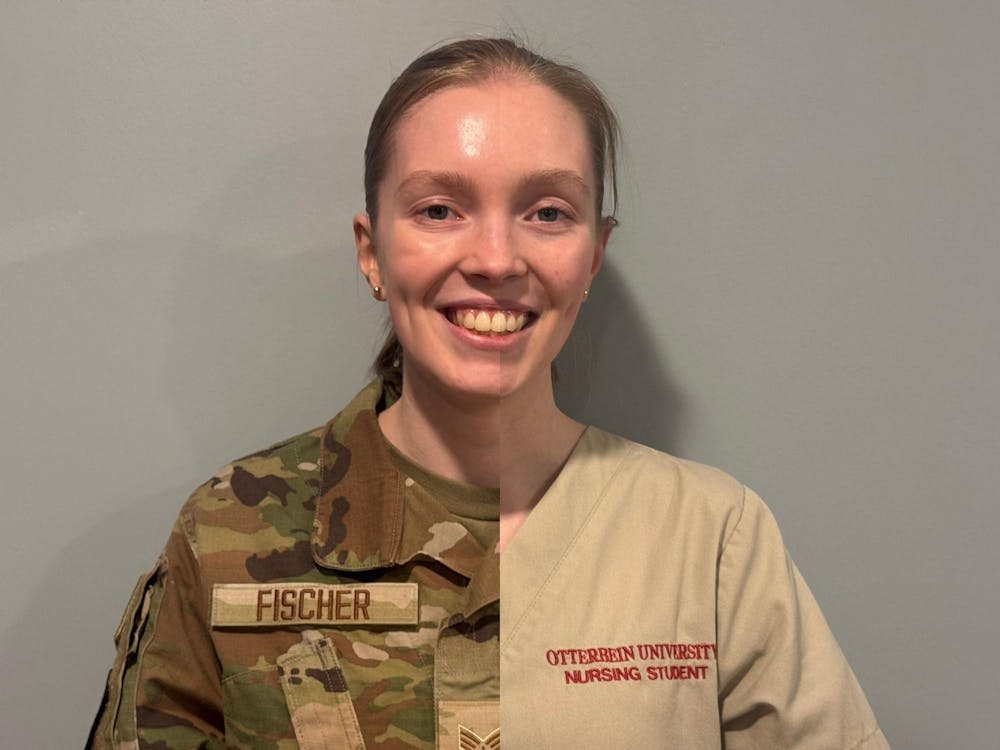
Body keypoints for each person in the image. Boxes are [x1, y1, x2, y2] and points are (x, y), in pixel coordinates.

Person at [88, 37, 888, 749]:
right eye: (439, 209)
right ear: (372, 252)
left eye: (548, 212)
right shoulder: (225, 536)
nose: (497, 259)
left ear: (594, 254)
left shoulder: (712, 540)